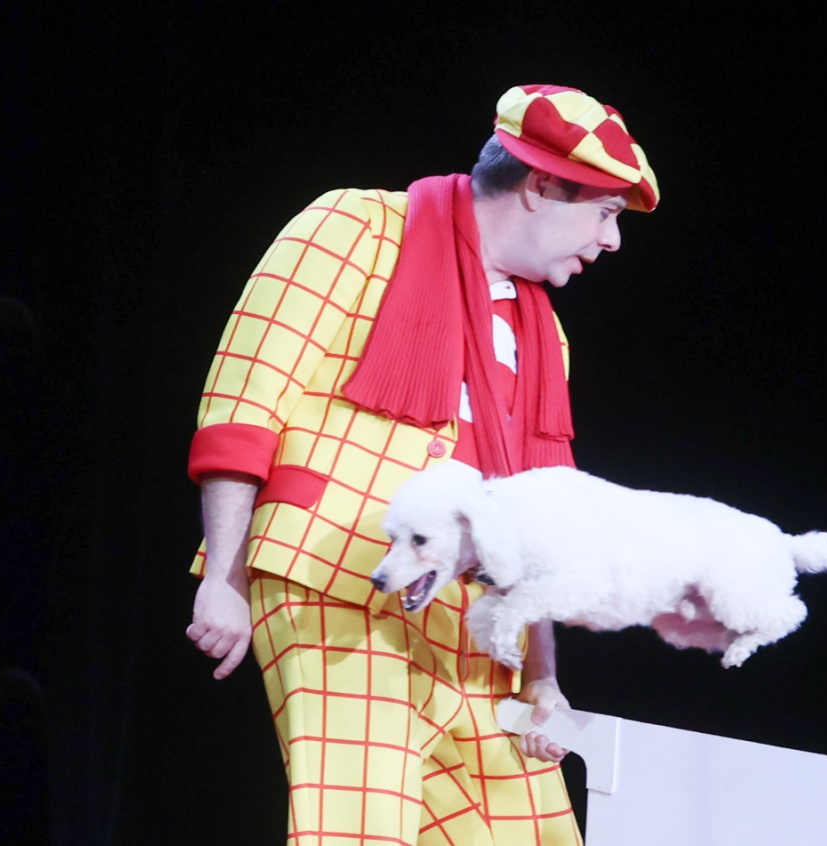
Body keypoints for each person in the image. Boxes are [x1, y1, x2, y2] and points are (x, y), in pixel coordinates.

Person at [185, 84, 659, 845]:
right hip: (333, 577)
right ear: (541, 185)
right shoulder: (358, 227)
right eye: (605, 212)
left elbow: (537, 521)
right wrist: (224, 576)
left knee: (534, 833)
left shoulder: (545, 338)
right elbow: (244, 401)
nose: (612, 241)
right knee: (360, 825)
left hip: (471, 628)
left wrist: (543, 676)